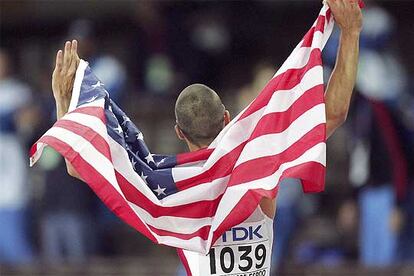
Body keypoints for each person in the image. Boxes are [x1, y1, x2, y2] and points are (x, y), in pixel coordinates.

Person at [50, 0, 362, 274]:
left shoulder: (167, 186)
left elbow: (77, 165)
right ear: (226, 117)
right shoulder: (257, 161)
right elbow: (334, 114)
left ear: (178, 133)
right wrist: (350, 33)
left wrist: (63, 99)